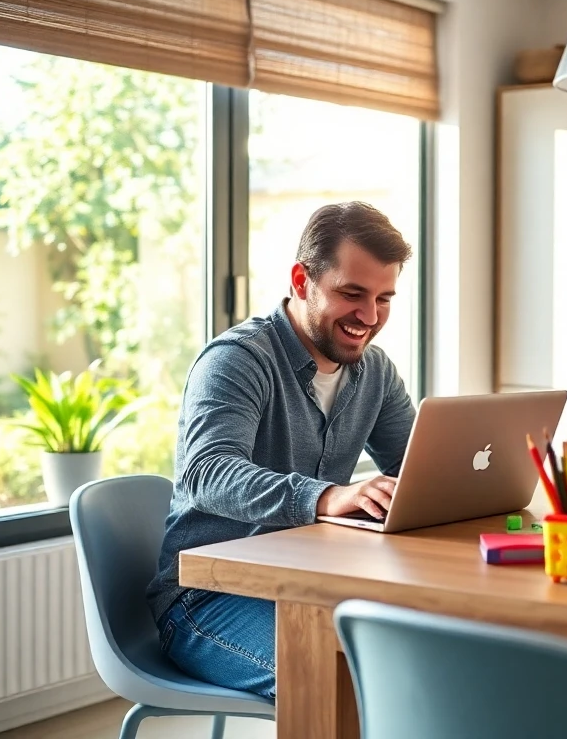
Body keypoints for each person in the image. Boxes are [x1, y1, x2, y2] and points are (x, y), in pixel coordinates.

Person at [145, 201, 417, 698]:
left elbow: (419, 473)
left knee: (426, 655)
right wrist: (325, 496)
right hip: (208, 598)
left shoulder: (374, 370)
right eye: (351, 293)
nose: (369, 316)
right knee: (345, 681)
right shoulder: (238, 360)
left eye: (384, 298)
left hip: (311, 581)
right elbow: (206, 472)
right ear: (301, 279)